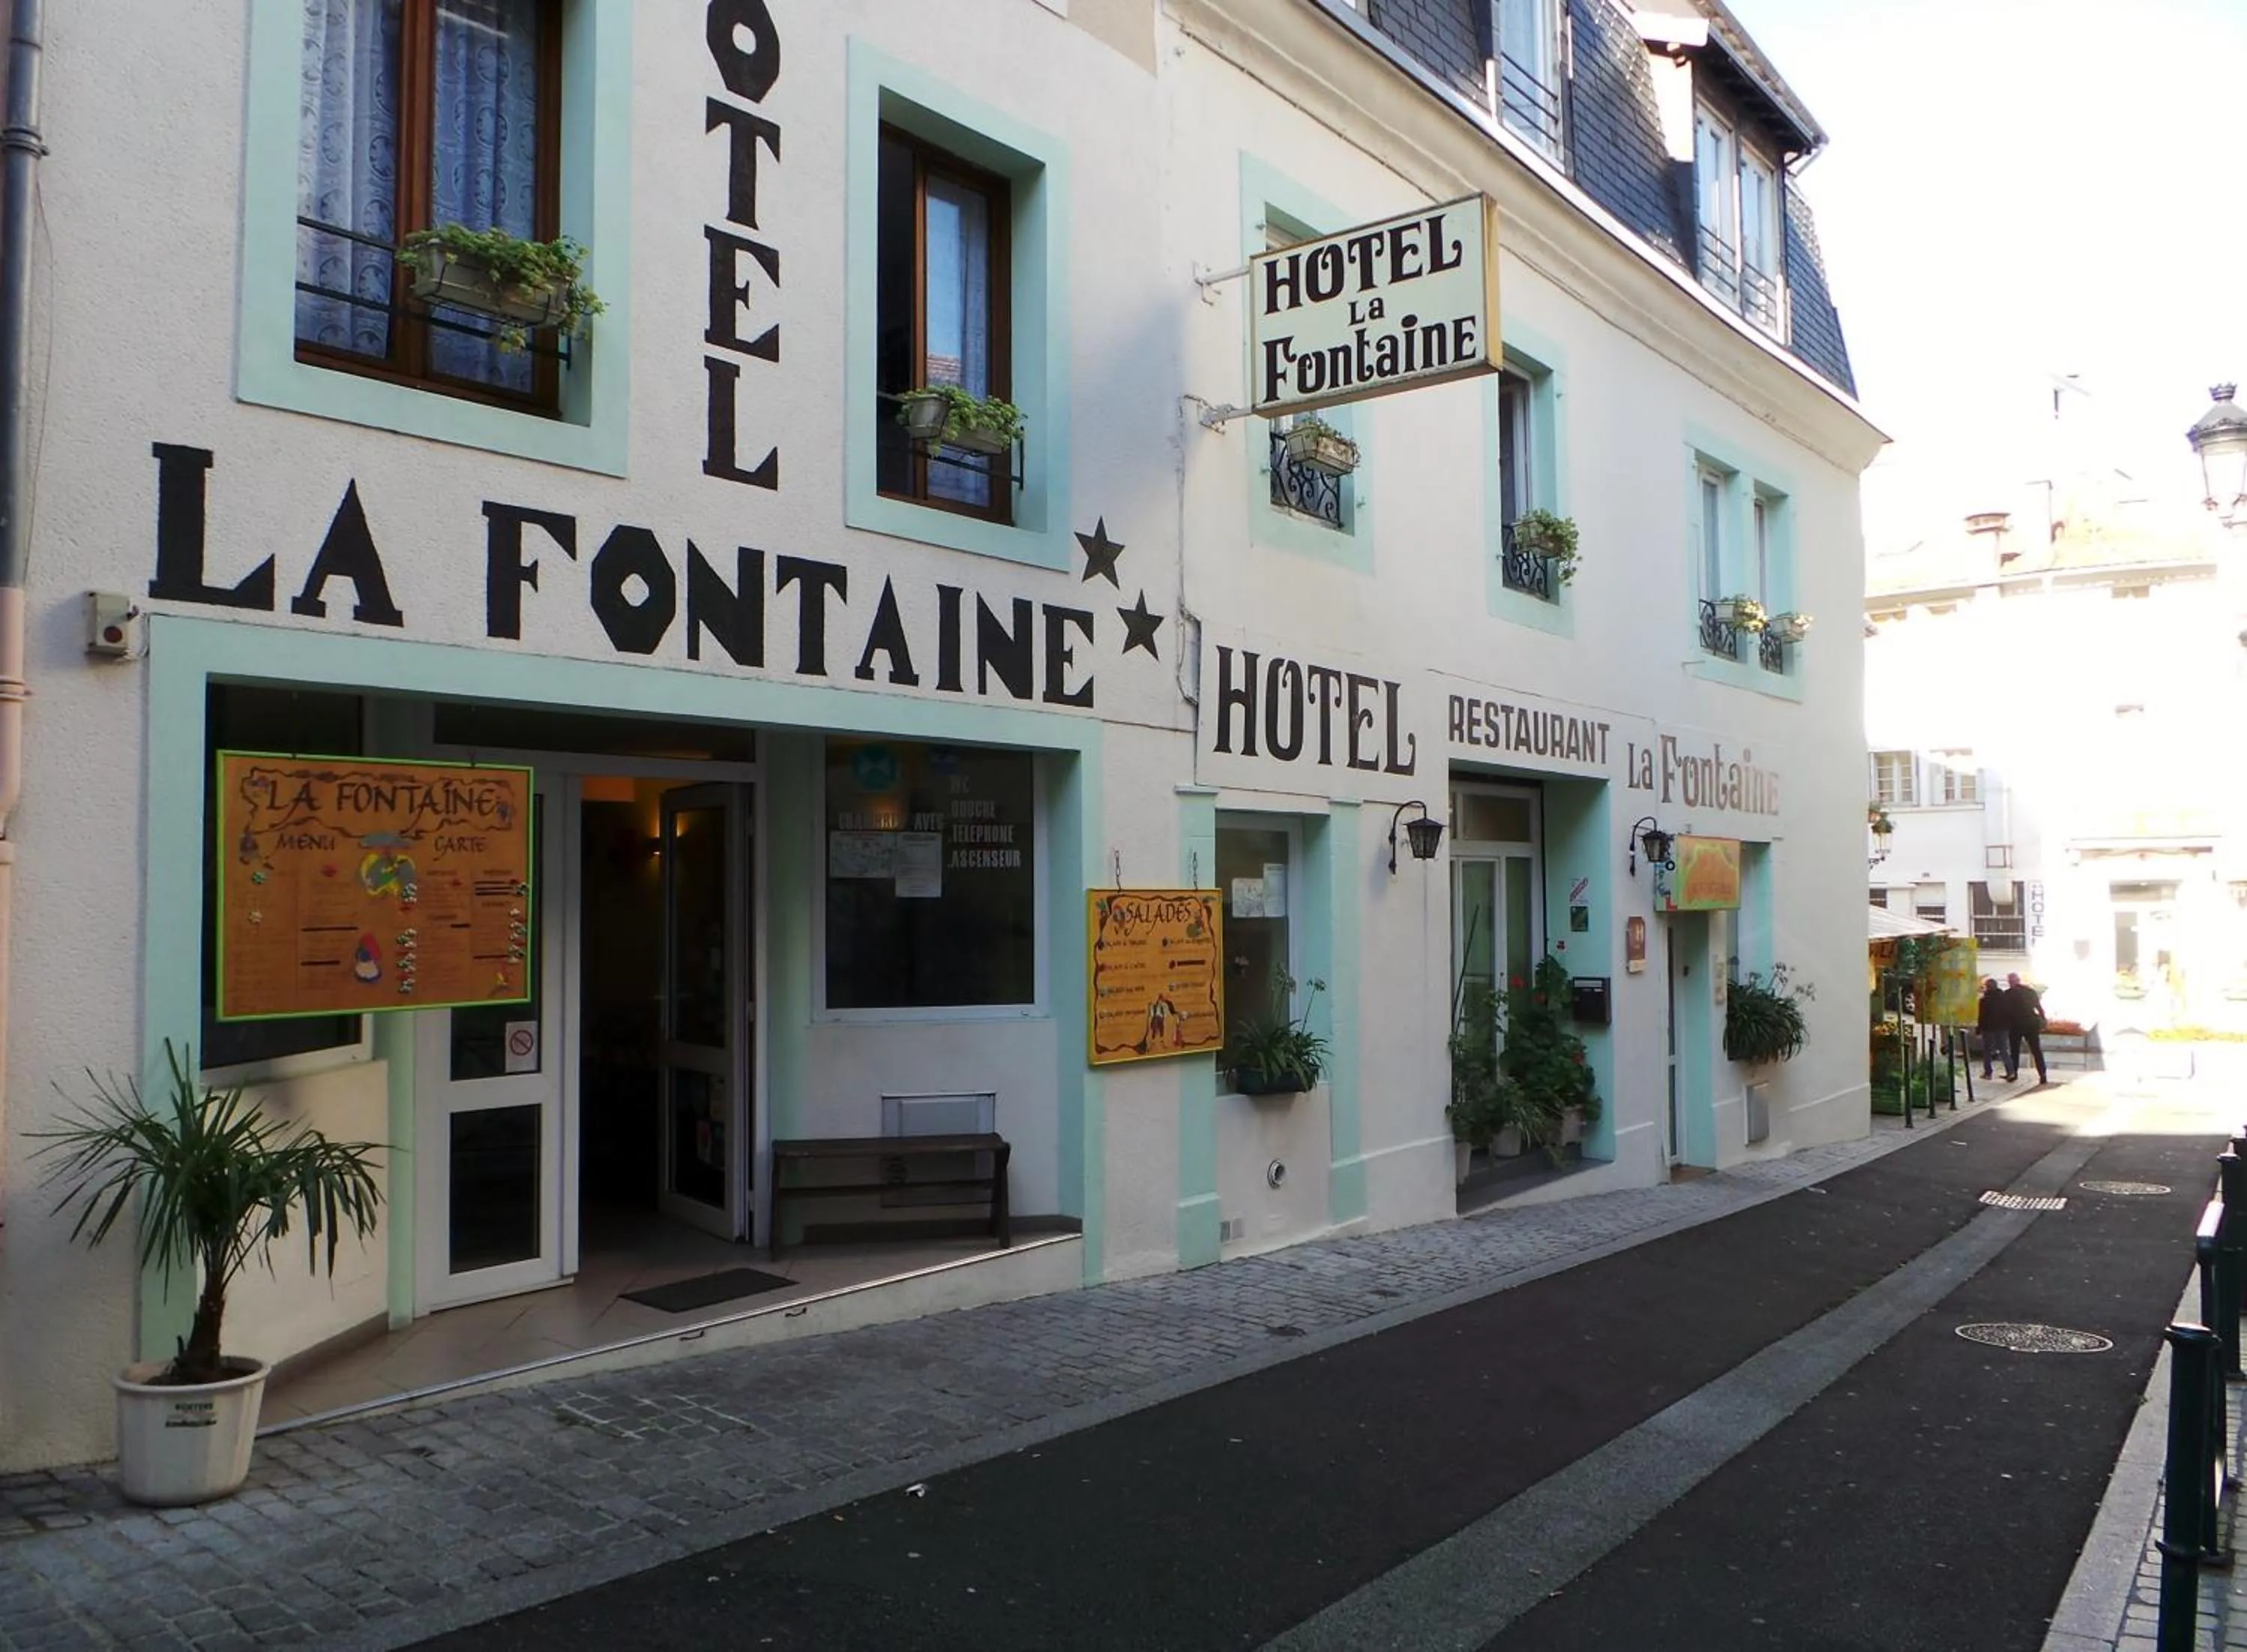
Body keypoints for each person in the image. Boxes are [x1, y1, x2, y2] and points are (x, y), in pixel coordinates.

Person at [2001, 971, 2048, 1085]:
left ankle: (2014, 1073)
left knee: (2015, 1050)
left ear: (2011, 982)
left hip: (2015, 1025)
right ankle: (2043, 1074)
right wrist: (2043, 1020)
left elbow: (2004, 1012)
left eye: (2009, 981)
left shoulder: (2007, 994)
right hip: (2031, 1024)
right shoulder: (2031, 992)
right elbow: (2039, 1008)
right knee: (2036, 1050)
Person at [1975, 978, 2005, 1079]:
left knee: (1987, 1051)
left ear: (1987, 988)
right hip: (2002, 1027)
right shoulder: (2004, 998)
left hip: (1988, 1028)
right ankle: (2011, 1071)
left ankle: (1988, 1073)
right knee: (2003, 1050)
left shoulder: (1984, 1001)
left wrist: (1978, 1030)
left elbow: (1982, 1017)